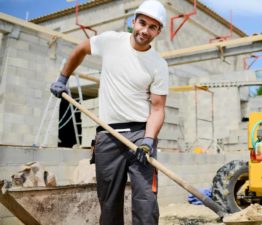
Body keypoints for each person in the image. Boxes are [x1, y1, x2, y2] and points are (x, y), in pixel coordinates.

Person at [50, 0, 168, 224]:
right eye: (142, 23)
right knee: (109, 203)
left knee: (146, 203)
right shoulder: (111, 41)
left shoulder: (158, 64)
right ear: (134, 21)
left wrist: (149, 140)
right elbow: (81, 49)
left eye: (152, 27)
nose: (145, 30)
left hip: (140, 136)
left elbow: (157, 108)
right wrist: (63, 78)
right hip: (108, 134)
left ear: (158, 31)